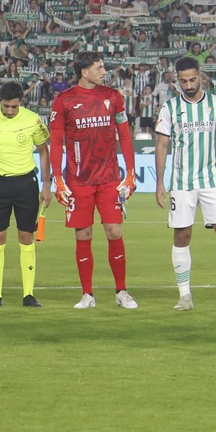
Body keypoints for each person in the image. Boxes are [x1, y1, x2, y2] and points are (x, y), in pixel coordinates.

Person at [153, 56, 216, 312]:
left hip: (211, 181)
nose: (188, 85)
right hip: (182, 183)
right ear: (177, 79)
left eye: (192, 79)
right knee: (182, 235)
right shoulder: (170, 108)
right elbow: (162, 145)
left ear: (201, 76)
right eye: (183, 81)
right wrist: (160, 183)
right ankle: (185, 295)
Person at [49, 52, 139, 310]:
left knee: (114, 231)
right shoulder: (64, 101)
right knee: (83, 234)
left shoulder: (113, 97)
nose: (104, 71)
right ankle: (87, 294)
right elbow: (56, 142)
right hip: (78, 180)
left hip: (109, 178)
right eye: (99, 67)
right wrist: (58, 178)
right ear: (84, 72)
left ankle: (122, 291)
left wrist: (129, 173)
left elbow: (125, 136)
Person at [0, 81, 51, 308]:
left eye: (14, 107)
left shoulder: (33, 120)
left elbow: (44, 151)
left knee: (26, 237)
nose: (10, 111)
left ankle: (28, 295)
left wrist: (46, 185)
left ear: (20, 103)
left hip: (26, 184)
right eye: (6, 106)